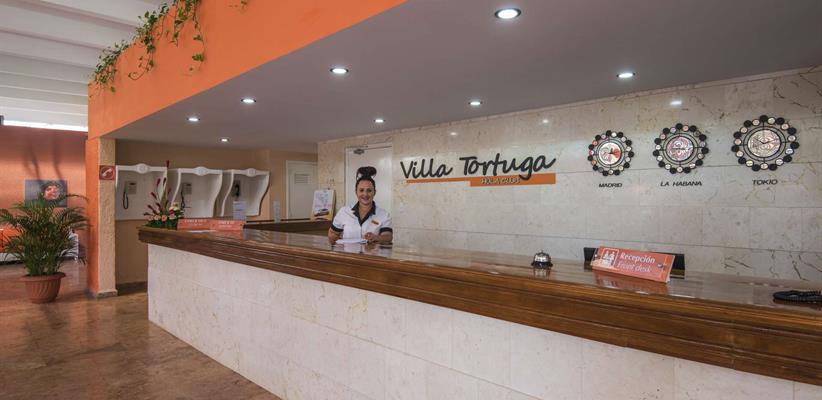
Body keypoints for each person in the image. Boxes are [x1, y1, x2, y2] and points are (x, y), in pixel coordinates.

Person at [328, 166, 393, 244]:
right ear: (356, 192)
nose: (365, 194)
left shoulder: (384, 215)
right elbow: (332, 233)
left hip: (372, 252)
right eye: (361, 190)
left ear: (374, 192)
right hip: (348, 252)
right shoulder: (344, 211)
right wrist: (337, 240)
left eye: (369, 190)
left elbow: (388, 237)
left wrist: (376, 237)